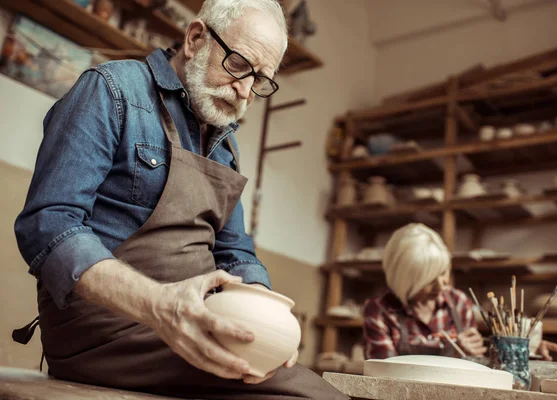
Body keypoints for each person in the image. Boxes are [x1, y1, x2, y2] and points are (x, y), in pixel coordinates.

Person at [13, 1, 347, 399]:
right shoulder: (112, 89)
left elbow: (236, 251)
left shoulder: (225, 143)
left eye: (260, 80)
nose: (244, 90)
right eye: (239, 64)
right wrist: (160, 304)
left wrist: (265, 317)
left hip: (190, 322)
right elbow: (48, 223)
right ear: (195, 38)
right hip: (105, 330)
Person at [363, 223, 557, 361]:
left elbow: (480, 361)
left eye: (443, 273)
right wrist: (451, 355)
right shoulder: (379, 311)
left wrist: (524, 350)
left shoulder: (457, 302)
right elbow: (384, 377)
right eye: (428, 281)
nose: (441, 286)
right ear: (404, 280)